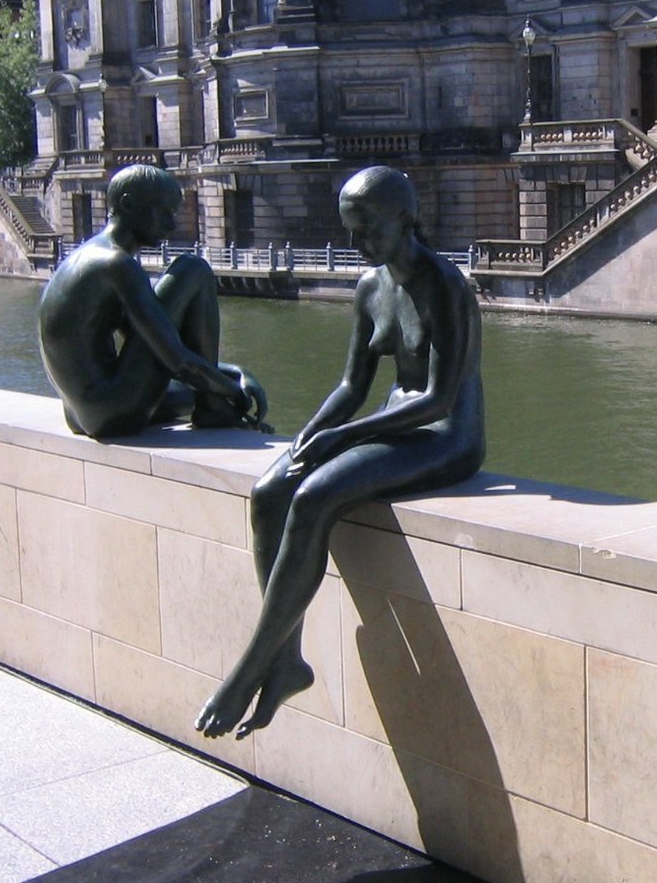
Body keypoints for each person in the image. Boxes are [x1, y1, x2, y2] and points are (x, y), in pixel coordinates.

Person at [196, 166, 485, 739]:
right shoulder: (371, 288)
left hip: (446, 436)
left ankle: (250, 667)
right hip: (394, 425)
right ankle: (288, 660)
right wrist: (313, 433)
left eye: (368, 231)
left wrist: (344, 438)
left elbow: (439, 399)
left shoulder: (446, 286)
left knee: (315, 497)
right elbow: (352, 387)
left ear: (406, 220)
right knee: (270, 491)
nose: (358, 246)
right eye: (350, 231)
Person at [37, 163, 267, 439]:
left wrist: (234, 373)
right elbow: (178, 361)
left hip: (81, 413)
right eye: (165, 212)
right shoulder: (117, 265)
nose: (171, 225)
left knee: (188, 392)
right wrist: (234, 391)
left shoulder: (89, 255)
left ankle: (211, 403)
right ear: (129, 204)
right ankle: (213, 408)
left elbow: (153, 344)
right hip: (112, 412)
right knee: (194, 269)